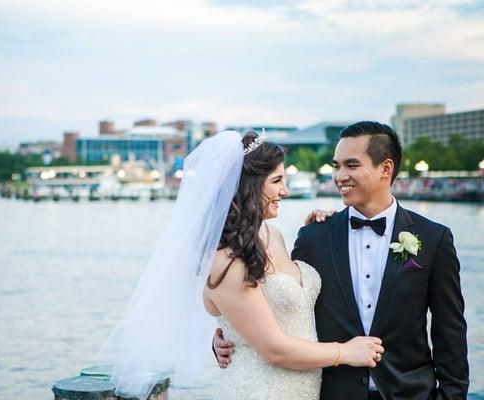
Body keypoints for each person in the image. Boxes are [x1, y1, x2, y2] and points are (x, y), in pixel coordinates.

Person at [96, 129, 382, 400]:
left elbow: (286, 305)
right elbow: (273, 349)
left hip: (302, 389)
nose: (285, 191)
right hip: (258, 389)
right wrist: (345, 352)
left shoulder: (275, 235)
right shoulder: (225, 258)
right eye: (276, 181)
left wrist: (319, 233)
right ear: (249, 186)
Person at [214, 121, 469, 400]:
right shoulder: (314, 237)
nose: (339, 176)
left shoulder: (434, 239)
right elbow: (279, 307)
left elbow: (450, 333)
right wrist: (230, 338)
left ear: (386, 168)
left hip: (411, 394)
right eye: (336, 166)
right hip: (331, 392)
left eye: (351, 165)